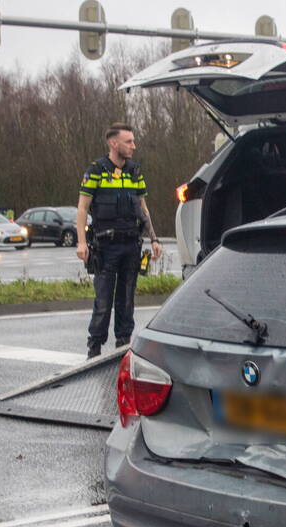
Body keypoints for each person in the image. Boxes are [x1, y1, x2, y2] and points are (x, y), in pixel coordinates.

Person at [76, 122, 162, 358]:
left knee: (127, 298)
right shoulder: (96, 170)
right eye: (128, 141)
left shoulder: (135, 171)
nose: (133, 146)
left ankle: (123, 345)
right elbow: (82, 208)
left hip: (131, 244)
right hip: (105, 245)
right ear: (113, 144)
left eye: (133, 141)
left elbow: (143, 208)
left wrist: (154, 239)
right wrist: (81, 242)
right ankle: (94, 347)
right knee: (103, 300)